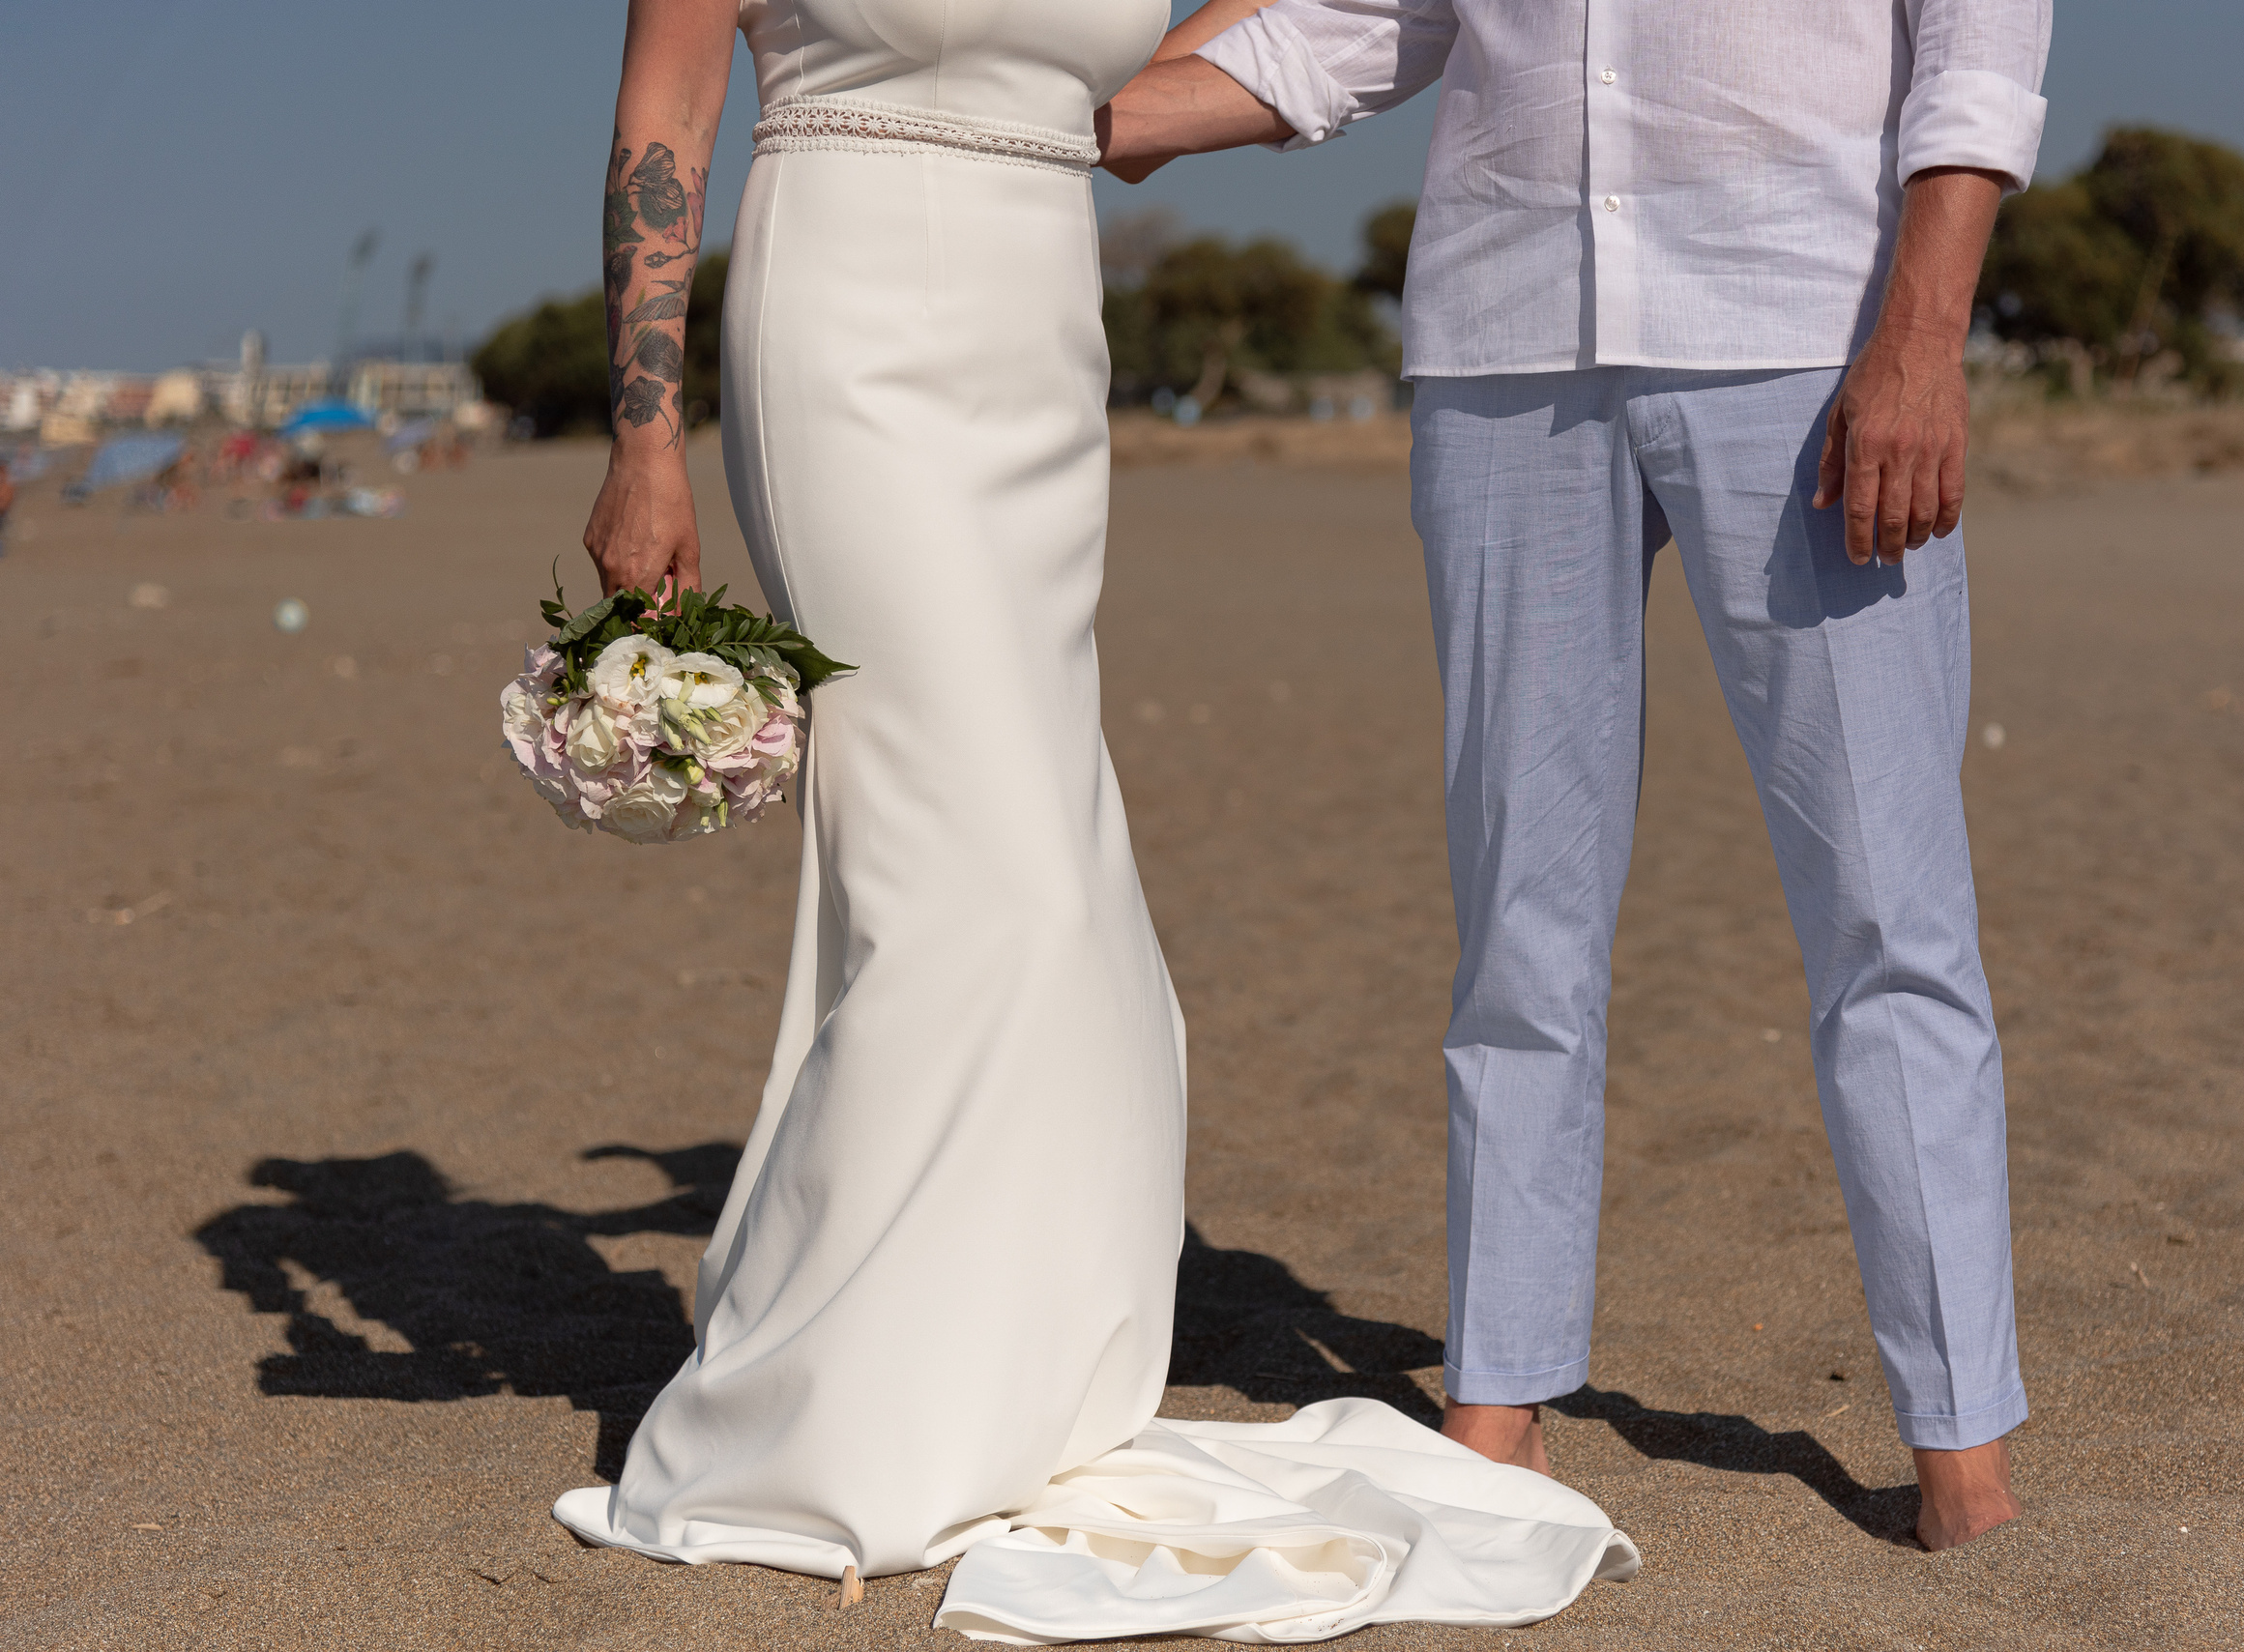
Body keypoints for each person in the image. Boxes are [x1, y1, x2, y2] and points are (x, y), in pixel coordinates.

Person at [549, 2, 1635, 1641]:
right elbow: (663, 122)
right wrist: (647, 436)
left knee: (1047, 855)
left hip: (1044, 339)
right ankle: (854, 1412)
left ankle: (1005, 1390)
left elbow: (1256, 38)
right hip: (846, 325)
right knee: (981, 880)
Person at [1101, 0, 2050, 1551]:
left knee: (1889, 913)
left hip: (1807, 336)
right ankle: (1496, 1397)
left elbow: (1977, 42)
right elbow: (1367, 23)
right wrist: (1078, 120)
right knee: (1519, 919)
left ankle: (1961, 1445)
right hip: (1506, 349)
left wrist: (1924, 337)